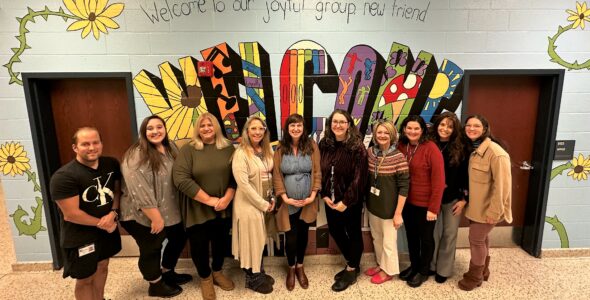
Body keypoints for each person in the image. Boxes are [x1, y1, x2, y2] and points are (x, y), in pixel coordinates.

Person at [119, 115, 192, 298]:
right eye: (150, 128)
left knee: (178, 239)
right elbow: (139, 190)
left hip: (170, 210)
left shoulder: (170, 147)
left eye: (159, 127)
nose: (155, 131)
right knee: (151, 248)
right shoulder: (136, 155)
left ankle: (167, 272)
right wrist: (156, 218)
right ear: (144, 132)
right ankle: (155, 285)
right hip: (142, 214)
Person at [49, 127, 122, 300]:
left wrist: (113, 213)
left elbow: (118, 191)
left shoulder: (111, 164)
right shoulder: (64, 177)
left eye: (95, 142)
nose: (91, 147)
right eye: (85, 144)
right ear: (75, 148)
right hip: (80, 236)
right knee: (85, 279)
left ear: (101, 144)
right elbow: (71, 214)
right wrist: (104, 223)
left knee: (103, 266)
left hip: (106, 231)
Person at [173, 113, 236, 300]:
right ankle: (206, 279)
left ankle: (217, 272)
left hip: (223, 207)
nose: (206, 128)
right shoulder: (188, 150)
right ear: (197, 129)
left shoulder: (227, 148)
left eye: (210, 125)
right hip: (197, 209)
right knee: (199, 246)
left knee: (221, 243)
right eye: (202, 126)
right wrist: (209, 200)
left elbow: (236, 176)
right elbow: (180, 179)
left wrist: (226, 198)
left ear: (216, 126)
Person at [458, 114, 512, 291]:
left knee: (476, 241)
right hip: (476, 207)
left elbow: (502, 187)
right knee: (482, 239)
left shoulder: (496, 153)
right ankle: (484, 271)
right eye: (468, 125)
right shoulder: (474, 149)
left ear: (485, 129)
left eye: (476, 126)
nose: (471, 129)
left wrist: (494, 212)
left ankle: (474, 277)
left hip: (488, 209)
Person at [319, 109, 368, 292]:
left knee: (353, 233)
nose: (338, 125)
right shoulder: (325, 144)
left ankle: (351, 269)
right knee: (335, 230)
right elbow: (320, 172)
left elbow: (359, 178)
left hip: (351, 201)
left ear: (349, 125)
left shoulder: (357, 147)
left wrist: (345, 202)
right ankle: (353, 262)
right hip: (330, 200)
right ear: (330, 125)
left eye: (342, 122)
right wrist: (323, 195)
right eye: (334, 122)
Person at [272, 114, 321, 291]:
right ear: (287, 128)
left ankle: (300, 266)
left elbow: (317, 172)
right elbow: (276, 174)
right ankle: (291, 268)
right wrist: (284, 197)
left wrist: (313, 195)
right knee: (290, 238)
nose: (295, 129)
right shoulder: (280, 148)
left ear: (303, 127)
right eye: (292, 126)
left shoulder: (311, 145)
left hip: (308, 201)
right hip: (288, 202)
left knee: (303, 235)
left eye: (299, 125)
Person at [397, 115, 445, 288]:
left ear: (423, 130)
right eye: (409, 128)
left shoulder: (431, 148)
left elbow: (439, 181)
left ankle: (423, 271)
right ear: (403, 129)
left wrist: (433, 208)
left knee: (425, 239)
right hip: (406, 203)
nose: (412, 131)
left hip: (426, 205)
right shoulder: (401, 146)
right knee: (411, 237)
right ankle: (414, 266)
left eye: (416, 128)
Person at [232, 115, 276, 294]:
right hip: (248, 204)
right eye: (253, 128)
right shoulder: (241, 153)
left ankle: (259, 272)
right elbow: (244, 185)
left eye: (261, 128)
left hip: (265, 201)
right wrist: (263, 204)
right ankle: (252, 279)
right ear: (247, 131)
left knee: (259, 240)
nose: (257, 132)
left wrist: (271, 198)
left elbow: (271, 175)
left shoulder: (267, 150)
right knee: (251, 241)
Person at [364, 120, 409, 284]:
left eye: (386, 133)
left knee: (389, 242)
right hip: (373, 205)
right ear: (375, 135)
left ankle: (388, 271)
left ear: (392, 136)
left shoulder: (398, 157)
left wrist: (398, 213)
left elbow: (404, 187)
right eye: (379, 132)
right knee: (377, 238)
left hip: (390, 209)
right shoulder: (370, 153)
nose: (382, 135)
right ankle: (381, 265)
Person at [429, 112, 469, 283]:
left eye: (450, 126)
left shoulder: (461, 148)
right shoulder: (429, 145)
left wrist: (464, 200)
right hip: (431, 197)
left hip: (453, 198)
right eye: (442, 124)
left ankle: (443, 270)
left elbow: (467, 176)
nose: (445, 129)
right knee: (433, 234)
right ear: (437, 125)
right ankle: (431, 265)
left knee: (449, 233)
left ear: (455, 130)